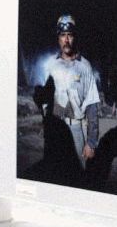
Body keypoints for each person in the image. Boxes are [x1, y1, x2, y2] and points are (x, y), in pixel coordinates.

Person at [39, 14, 100, 167]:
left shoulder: (84, 66)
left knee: (77, 176)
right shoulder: (52, 65)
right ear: (58, 38)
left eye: (70, 35)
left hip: (75, 131)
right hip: (55, 129)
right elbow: (46, 101)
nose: (66, 40)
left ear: (74, 37)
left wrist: (91, 143)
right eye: (63, 35)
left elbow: (92, 106)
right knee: (54, 173)